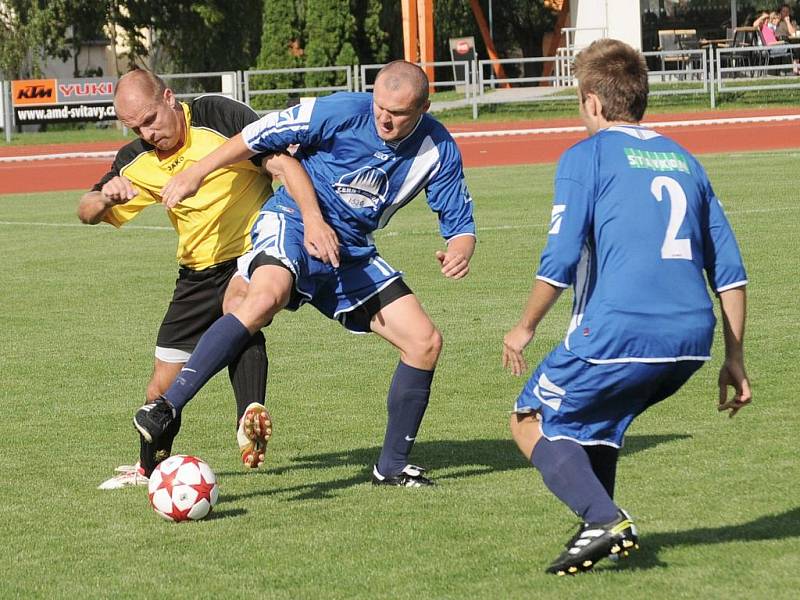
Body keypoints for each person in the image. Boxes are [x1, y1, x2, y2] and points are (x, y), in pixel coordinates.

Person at [132, 60, 476, 487]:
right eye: (381, 106)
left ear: (425, 106)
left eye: (400, 112)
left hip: (349, 252)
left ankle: (390, 468)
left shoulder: (437, 148)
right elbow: (256, 135)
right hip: (294, 222)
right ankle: (167, 407)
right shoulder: (339, 111)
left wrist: (461, 250)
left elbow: (459, 223)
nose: (385, 118)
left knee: (424, 341)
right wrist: (195, 173)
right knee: (264, 297)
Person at [501, 39, 751, 575]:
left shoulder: (586, 155)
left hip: (619, 331)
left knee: (529, 419)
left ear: (591, 101)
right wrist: (736, 357)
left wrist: (524, 327)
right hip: (692, 343)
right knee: (597, 424)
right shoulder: (686, 160)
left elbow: (560, 258)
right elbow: (729, 271)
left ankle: (604, 520)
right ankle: (598, 530)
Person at [79, 69, 337, 488]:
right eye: (135, 127)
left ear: (168, 97)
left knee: (243, 311)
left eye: (150, 120)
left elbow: (278, 161)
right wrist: (106, 194)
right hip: (195, 275)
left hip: (249, 255)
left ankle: (248, 416)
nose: (147, 133)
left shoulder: (217, 115)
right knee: (157, 390)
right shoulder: (135, 159)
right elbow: (86, 210)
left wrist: (310, 219)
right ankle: (150, 470)